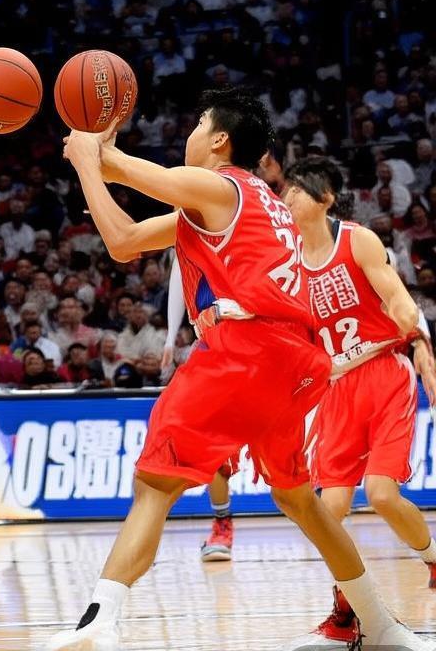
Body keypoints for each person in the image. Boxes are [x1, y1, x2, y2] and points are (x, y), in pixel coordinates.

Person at [45, 87, 431, 651]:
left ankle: (98, 623)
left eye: (199, 123)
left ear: (220, 139)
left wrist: (92, 153)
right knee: (299, 499)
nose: (190, 132)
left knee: (154, 485)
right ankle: (380, 625)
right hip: (298, 363)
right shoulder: (255, 203)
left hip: (247, 348)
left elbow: (124, 170)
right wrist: (92, 156)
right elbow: (124, 241)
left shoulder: (220, 186)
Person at [281, 158, 436, 647]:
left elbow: (399, 299)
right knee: (328, 511)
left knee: (382, 495)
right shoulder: (287, 264)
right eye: (286, 190)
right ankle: (346, 612)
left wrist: (415, 331)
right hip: (337, 388)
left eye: (298, 190)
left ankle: (433, 558)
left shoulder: (357, 240)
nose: (288, 197)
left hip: (384, 371)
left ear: (325, 198)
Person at [162, 261, 234, 562]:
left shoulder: (256, 236)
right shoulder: (190, 240)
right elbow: (179, 268)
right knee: (207, 446)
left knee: (286, 475)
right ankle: (222, 524)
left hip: (262, 343)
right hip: (214, 347)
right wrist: (170, 336)